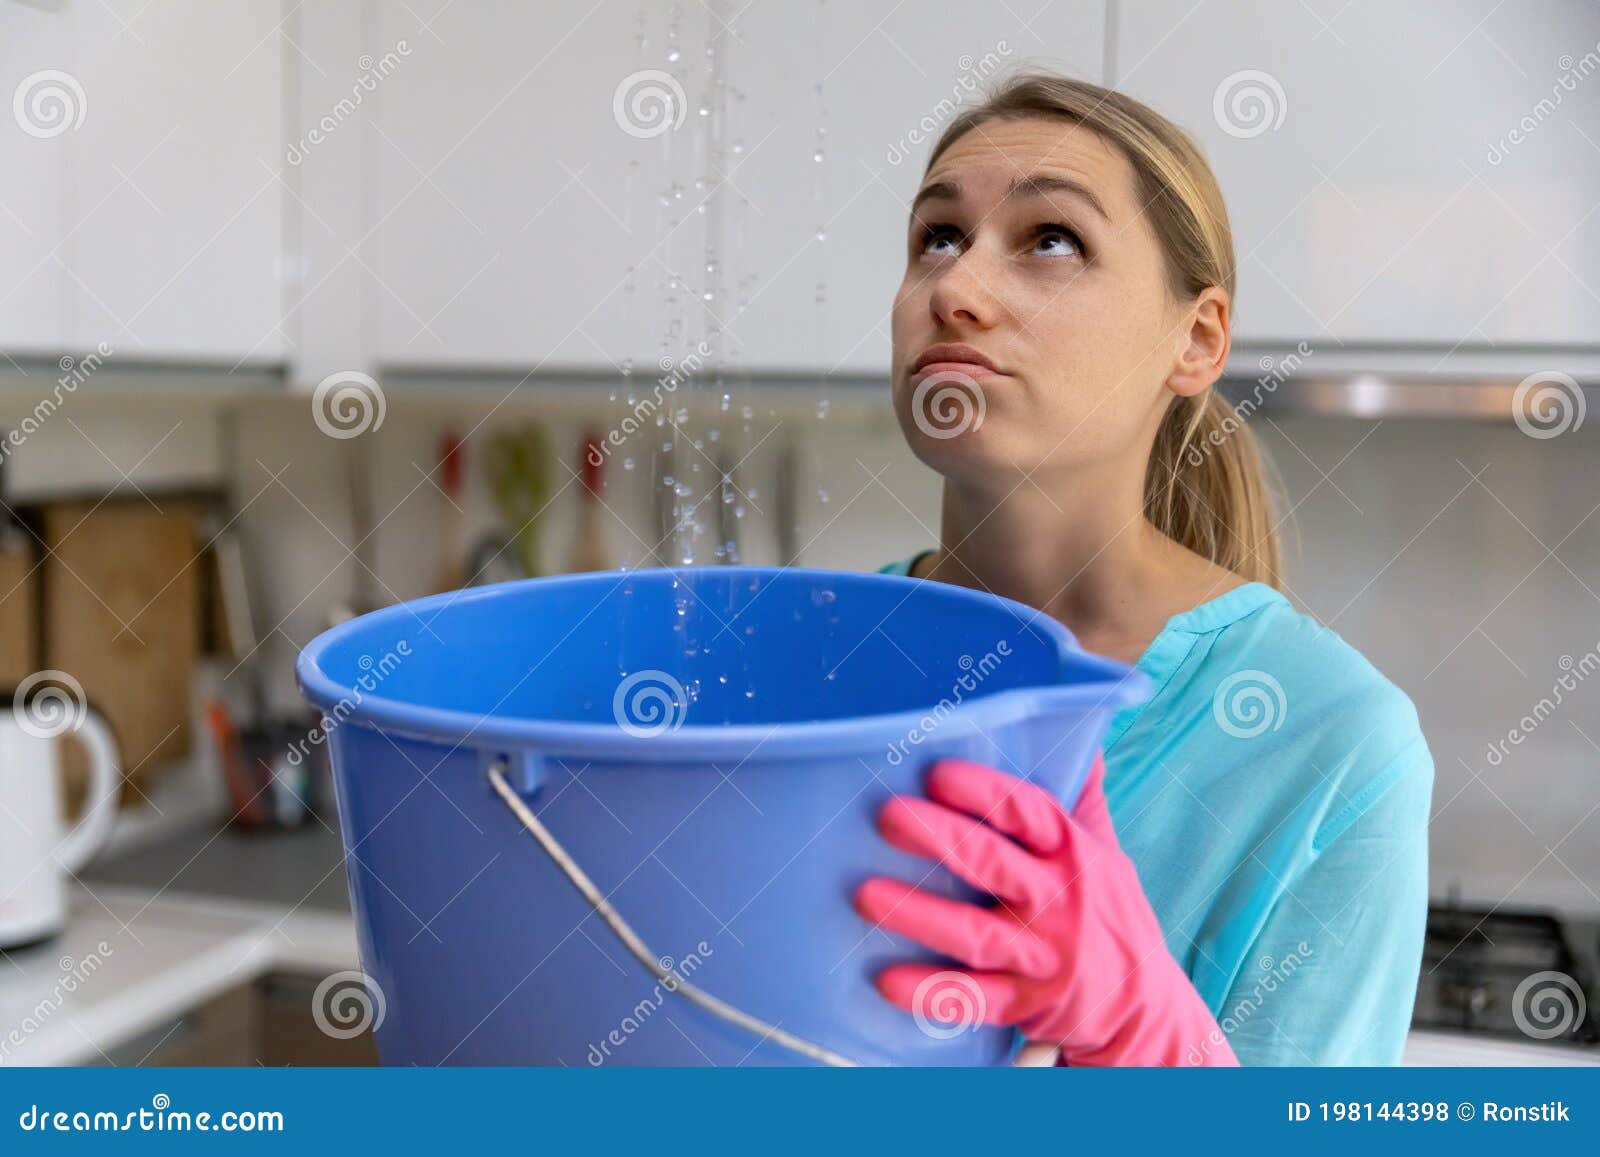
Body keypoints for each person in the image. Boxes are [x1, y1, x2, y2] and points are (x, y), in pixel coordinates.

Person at [856, 73, 1433, 1067]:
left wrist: (1150, 1039)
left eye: (1051, 240)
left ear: (1196, 338)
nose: (955, 288)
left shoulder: (1333, 740)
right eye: (937, 237)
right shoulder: (820, 657)